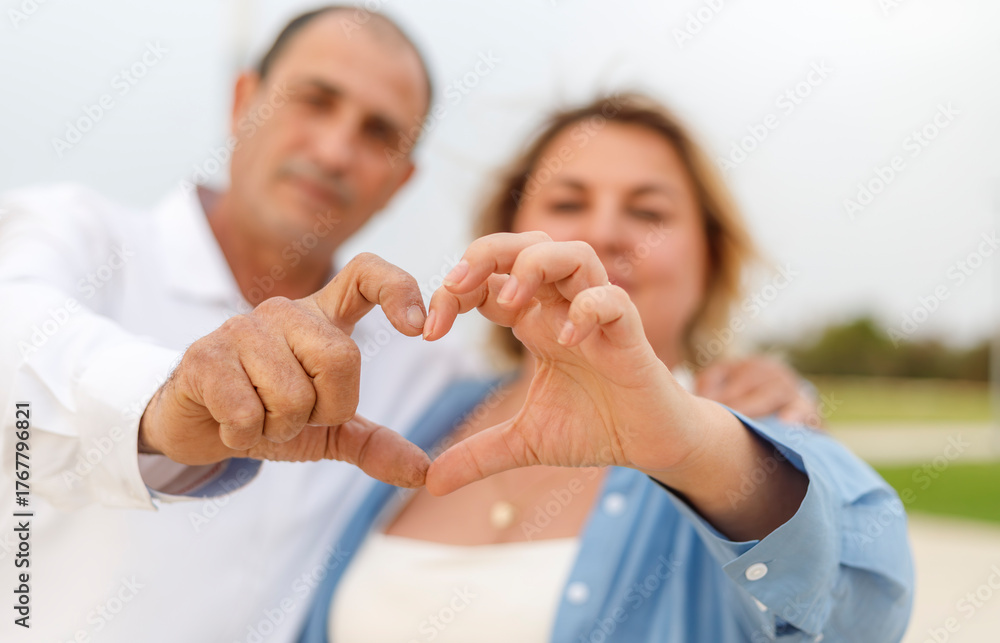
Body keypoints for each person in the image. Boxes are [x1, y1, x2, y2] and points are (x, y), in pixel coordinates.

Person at [0, 8, 815, 642]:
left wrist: (761, 416)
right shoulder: (73, 236)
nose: (334, 148)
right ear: (243, 100)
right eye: (314, 101)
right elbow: (22, 355)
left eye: (378, 133)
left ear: (402, 179)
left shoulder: (418, 363)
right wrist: (166, 401)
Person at [298, 94, 914, 642]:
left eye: (649, 212)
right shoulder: (428, 401)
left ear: (710, 257)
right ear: (506, 232)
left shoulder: (745, 429)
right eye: (568, 202)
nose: (602, 233)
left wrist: (697, 450)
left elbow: (866, 603)